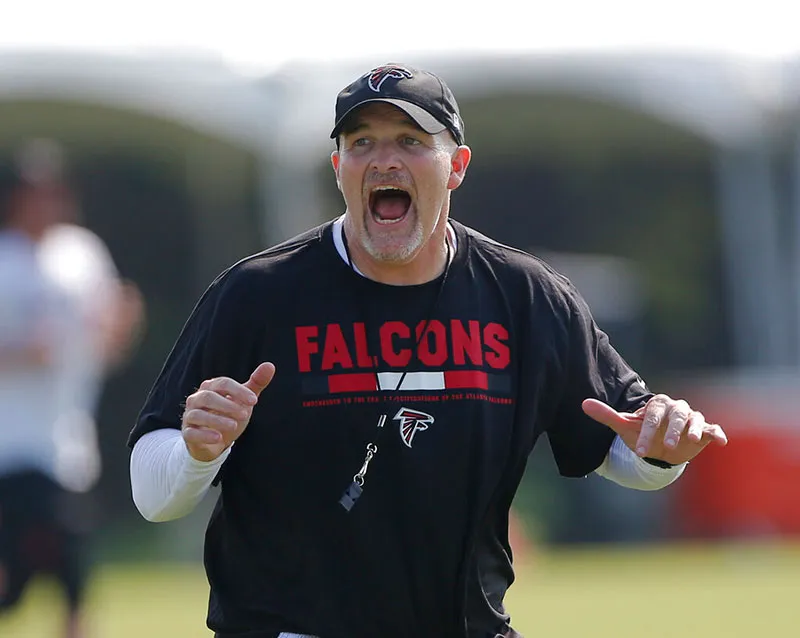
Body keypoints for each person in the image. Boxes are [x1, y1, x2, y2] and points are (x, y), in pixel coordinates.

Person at [128, 64, 728, 638]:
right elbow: (150, 493)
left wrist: (660, 452)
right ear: (339, 167)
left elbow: (619, 443)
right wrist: (197, 452)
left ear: (456, 165)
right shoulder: (257, 294)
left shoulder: (523, 297)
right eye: (361, 142)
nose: (384, 158)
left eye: (411, 140)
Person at [0, 142, 144, 638]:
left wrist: (123, 321)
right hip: (8, 444)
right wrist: (20, 352)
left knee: (72, 569)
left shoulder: (81, 253)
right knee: (14, 584)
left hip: (65, 441)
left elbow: (108, 344)